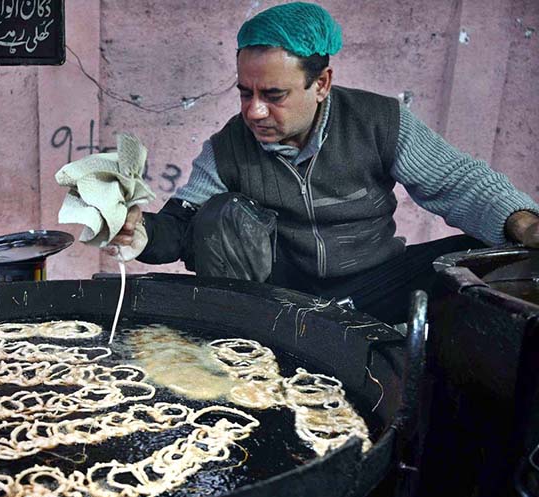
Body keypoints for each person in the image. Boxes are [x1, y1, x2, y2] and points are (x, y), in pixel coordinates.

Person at [108, 1, 539, 324]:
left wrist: (525, 223)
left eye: (273, 96)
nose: (254, 111)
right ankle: (244, 336)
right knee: (218, 214)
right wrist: (138, 230)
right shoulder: (227, 146)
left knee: (490, 256)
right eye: (245, 93)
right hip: (283, 297)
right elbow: (180, 226)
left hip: (376, 282)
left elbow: (458, 182)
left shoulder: (379, 121)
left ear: (322, 84)